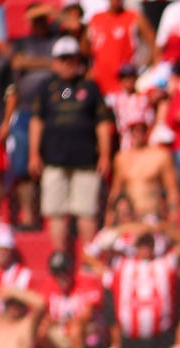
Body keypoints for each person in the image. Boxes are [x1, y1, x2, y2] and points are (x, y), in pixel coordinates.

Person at [29, 36, 111, 254]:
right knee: (56, 212)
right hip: (54, 159)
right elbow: (37, 121)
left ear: (78, 60)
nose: (67, 64)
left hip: (85, 161)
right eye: (62, 59)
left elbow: (103, 123)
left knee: (86, 211)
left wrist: (105, 154)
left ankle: (90, 259)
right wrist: (34, 154)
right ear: (55, 61)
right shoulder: (46, 88)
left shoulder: (91, 88)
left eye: (71, 59)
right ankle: (60, 258)